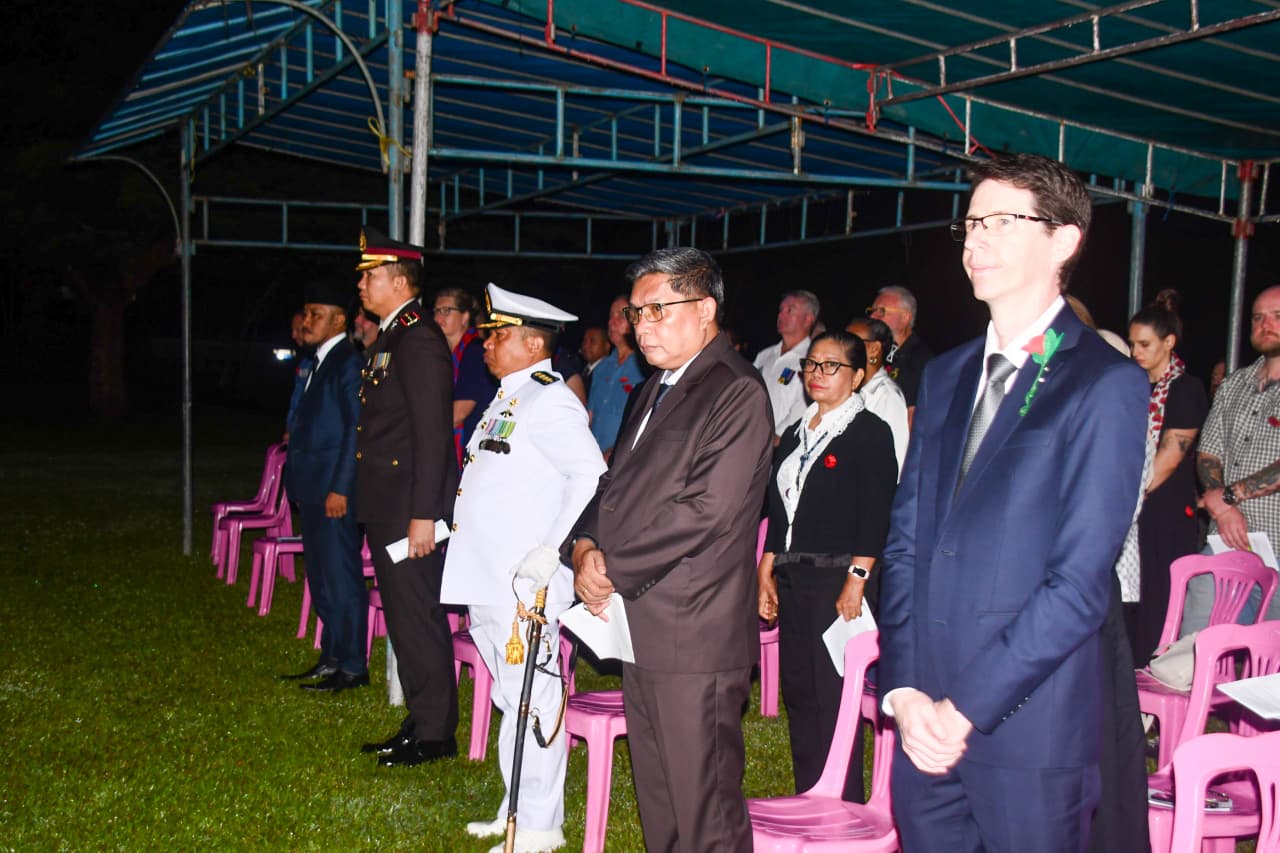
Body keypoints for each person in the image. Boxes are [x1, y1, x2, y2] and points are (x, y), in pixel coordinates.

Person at [878, 153, 1148, 852]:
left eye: (1002, 222)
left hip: (1029, 726)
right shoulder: (946, 375)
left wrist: (964, 709)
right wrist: (905, 690)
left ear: (1064, 241)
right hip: (923, 719)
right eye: (971, 224)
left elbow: (1079, 584)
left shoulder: (1103, 383)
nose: (976, 242)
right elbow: (905, 543)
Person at [568, 247, 773, 851]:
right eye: (637, 312)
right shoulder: (655, 386)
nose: (643, 325)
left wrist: (614, 568)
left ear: (706, 309)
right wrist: (584, 545)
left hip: (694, 628)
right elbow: (614, 484)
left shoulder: (735, 389)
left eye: (659, 309)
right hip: (642, 621)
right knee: (659, 798)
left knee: (704, 806)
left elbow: (707, 509)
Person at [442, 283, 606, 853]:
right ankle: (515, 807)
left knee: (536, 700)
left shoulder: (549, 400)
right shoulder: (509, 398)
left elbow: (591, 474)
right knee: (514, 699)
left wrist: (553, 548)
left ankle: (539, 826)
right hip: (490, 574)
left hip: (524, 580)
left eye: (499, 335)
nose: (486, 344)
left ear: (534, 344)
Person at [757, 330, 897, 802]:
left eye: (831, 365)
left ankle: (845, 803)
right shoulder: (798, 432)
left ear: (856, 377)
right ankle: (810, 796)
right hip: (794, 576)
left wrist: (857, 579)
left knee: (835, 696)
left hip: (839, 577)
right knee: (801, 692)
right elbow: (780, 509)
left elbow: (876, 513)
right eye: (812, 364)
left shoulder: (869, 432)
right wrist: (766, 567)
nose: (817, 373)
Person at [352, 227, 460, 768]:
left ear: (399, 281)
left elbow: (432, 434)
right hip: (389, 503)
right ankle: (422, 719)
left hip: (408, 508)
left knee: (417, 615)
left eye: (370, 275)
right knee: (403, 615)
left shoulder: (417, 338)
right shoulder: (393, 335)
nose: (362, 284)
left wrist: (424, 515)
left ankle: (436, 733)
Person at [280, 280, 369, 692]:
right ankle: (331, 656)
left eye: (317, 314)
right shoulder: (318, 361)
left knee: (341, 576)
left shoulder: (348, 362)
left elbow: (356, 429)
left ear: (338, 320)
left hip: (334, 490)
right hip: (313, 486)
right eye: (307, 313)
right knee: (320, 576)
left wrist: (342, 488)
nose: (307, 321)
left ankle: (352, 665)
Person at [1182, 284, 1280, 633]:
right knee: (1197, 641)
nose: (1265, 324)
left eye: (1277, 316)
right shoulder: (1234, 383)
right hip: (1227, 542)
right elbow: (1208, 452)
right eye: (1257, 317)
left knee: (1270, 658)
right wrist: (1223, 510)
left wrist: (1227, 497)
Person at [1125, 289, 1207, 664]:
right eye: (1132, 344)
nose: (1135, 352)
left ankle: (1153, 675)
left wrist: (1127, 497)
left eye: (1144, 344)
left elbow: (1170, 458)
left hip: (1166, 511)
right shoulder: (1134, 386)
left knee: (1159, 600)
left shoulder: (1186, 389)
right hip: (1135, 509)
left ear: (1169, 342)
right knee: (1132, 599)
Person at [433, 286, 497, 469]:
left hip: (471, 448)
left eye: (446, 311)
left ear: (465, 317)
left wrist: (420, 429)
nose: (438, 318)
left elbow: (459, 413)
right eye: (436, 311)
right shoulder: (444, 353)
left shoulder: (475, 351)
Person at [845, 316, 910, 477]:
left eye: (851, 341)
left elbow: (896, 461)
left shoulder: (887, 396)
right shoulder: (851, 390)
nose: (843, 348)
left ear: (874, 349)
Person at [754, 291, 820, 441]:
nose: (781, 315)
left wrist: (778, 436)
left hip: (776, 443)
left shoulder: (811, 360)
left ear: (808, 319)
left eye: (789, 310)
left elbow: (805, 406)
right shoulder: (765, 355)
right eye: (780, 310)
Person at [586, 295, 642, 458]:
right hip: (593, 458)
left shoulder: (646, 368)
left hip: (625, 460)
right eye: (611, 315)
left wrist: (615, 451)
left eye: (621, 315)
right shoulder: (601, 368)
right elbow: (590, 416)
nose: (612, 322)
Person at [868, 285, 933, 419]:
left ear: (905, 317)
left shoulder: (921, 360)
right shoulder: (879, 353)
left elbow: (912, 415)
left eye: (881, 311)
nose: (872, 316)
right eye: (872, 310)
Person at [576, 325, 610, 402]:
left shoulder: (607, 375)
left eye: (592, 341)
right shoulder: (581, 369)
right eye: (584, 341)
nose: (586, 346)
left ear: (606, 346)